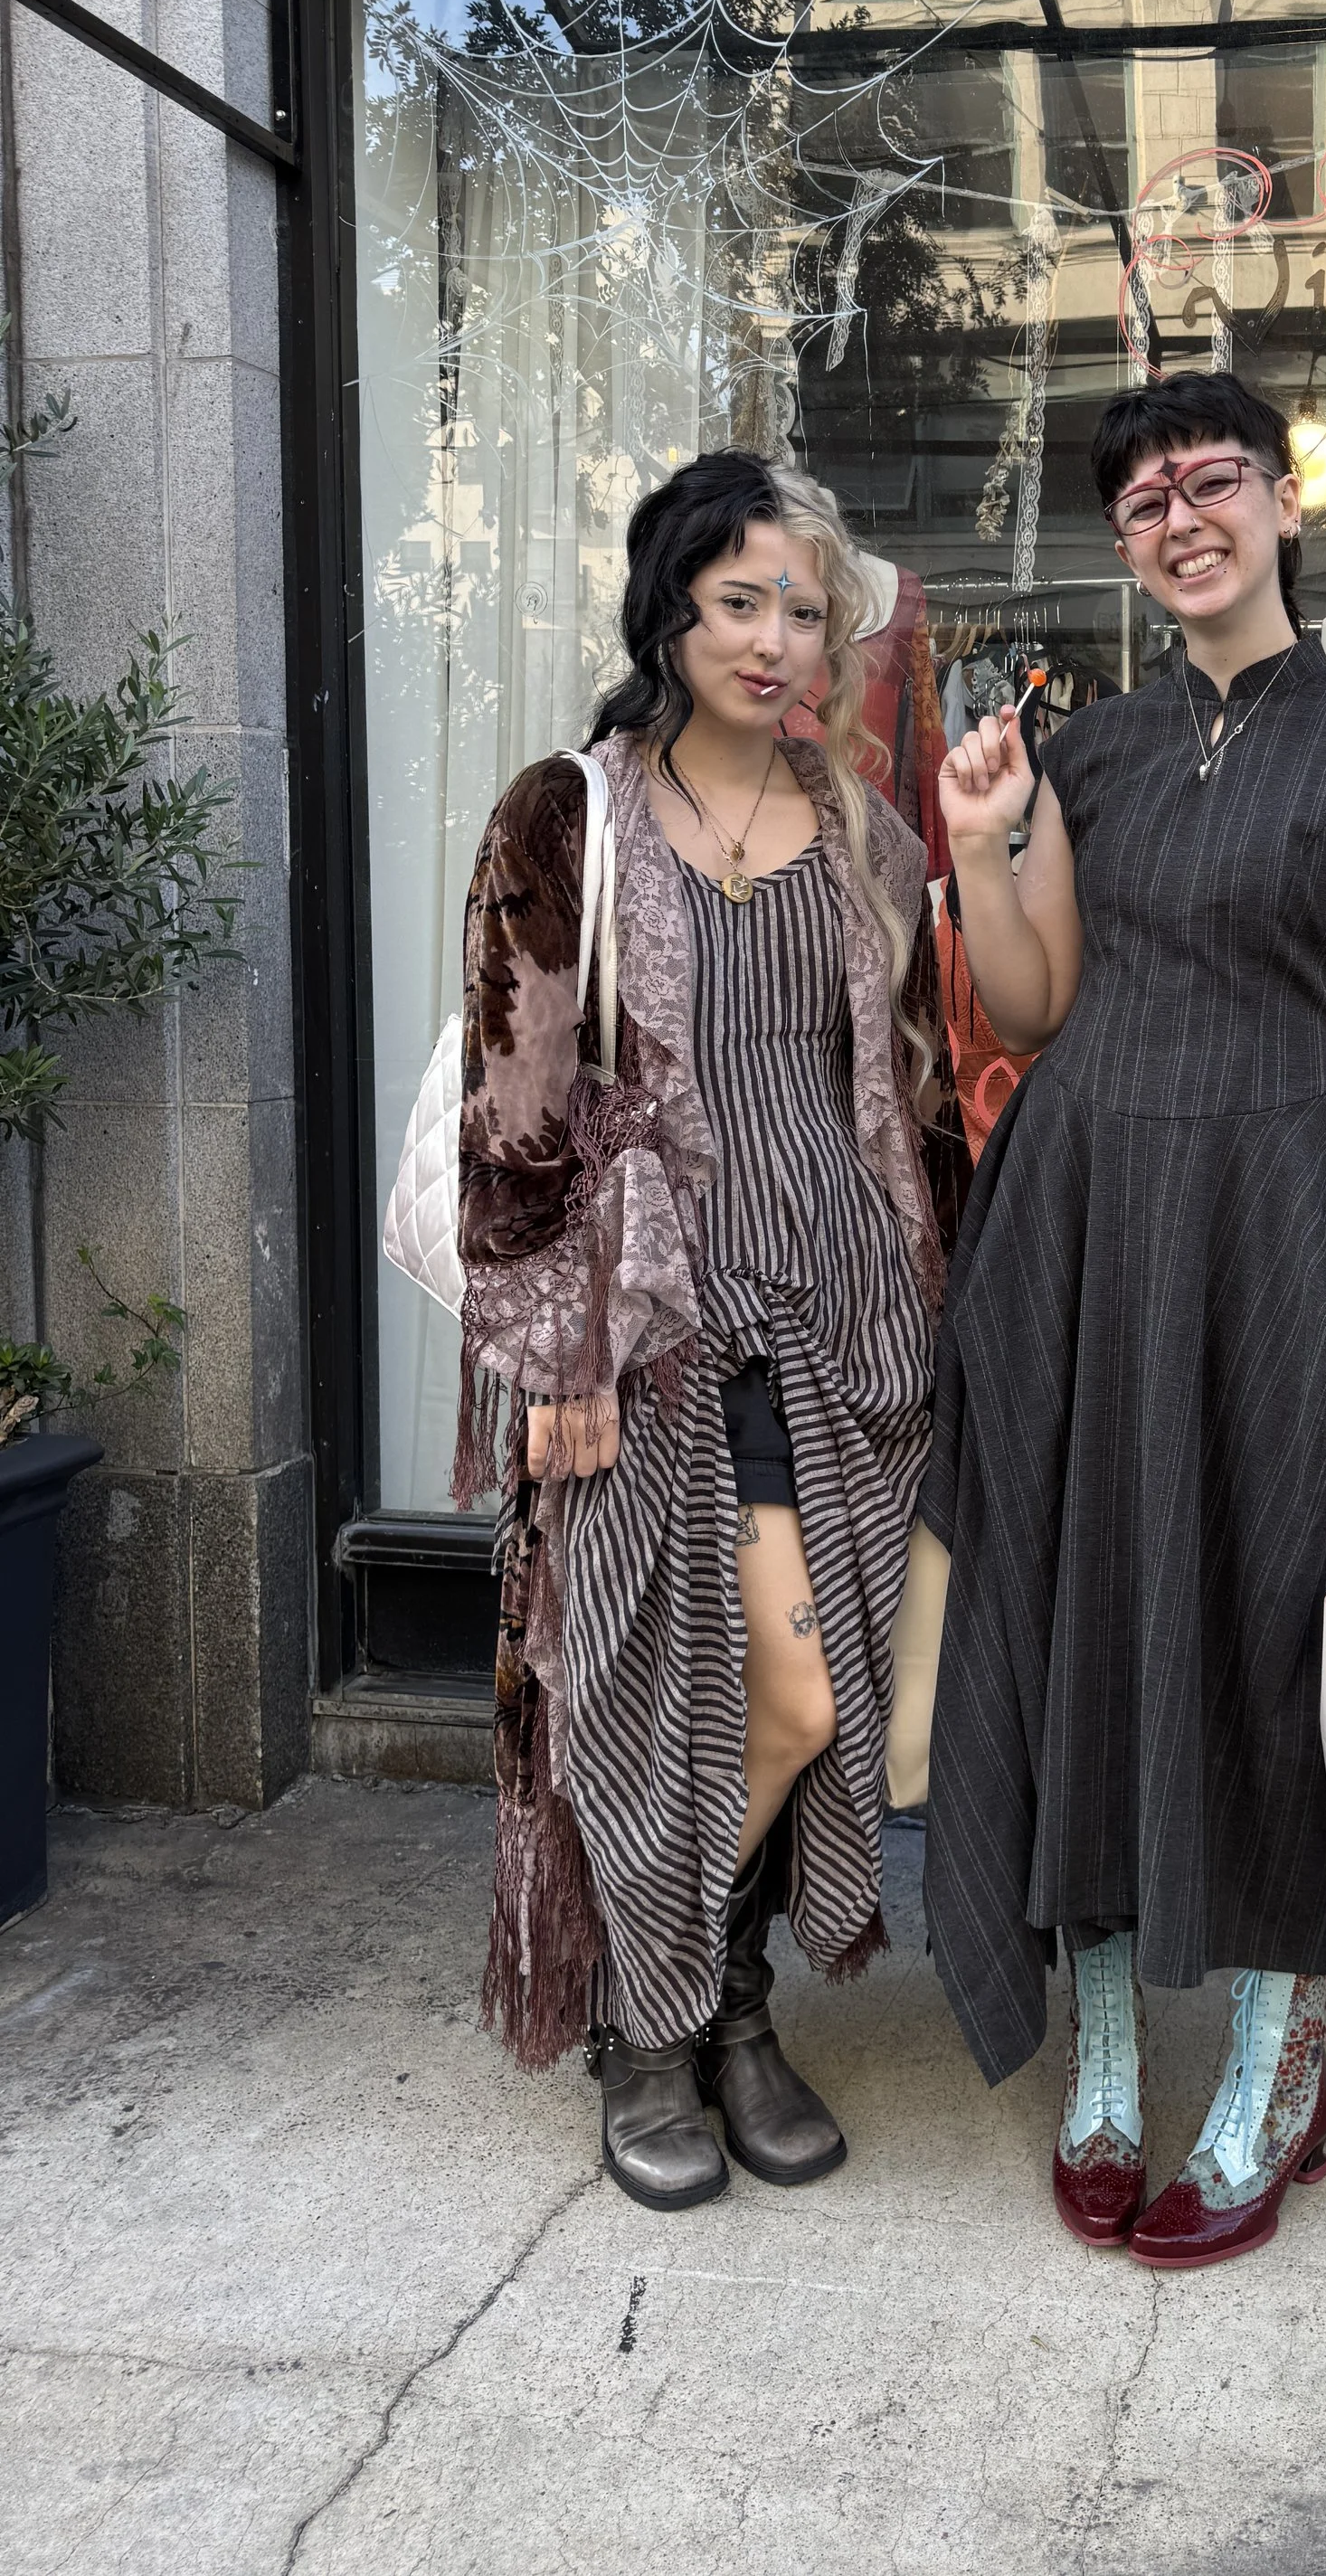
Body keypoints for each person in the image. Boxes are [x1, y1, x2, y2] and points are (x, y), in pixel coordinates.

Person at [923, 372, 1326, 2269]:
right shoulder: (1088, 754)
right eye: (1143, 495)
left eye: (1211, 478)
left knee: (1265, 1626)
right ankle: (1097, 2033)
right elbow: (1026, 1006)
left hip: (1281, 1230)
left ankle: (1273, 2039)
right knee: (1080, 1608)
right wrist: (985, 840)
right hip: (1080, 1219)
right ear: (1124, 539)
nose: (1179, 515)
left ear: (1279, 508)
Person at [452, 451, 956, 2211]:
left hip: (836, 1316)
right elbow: (514, 1106)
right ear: (669, 607)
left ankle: (711, 2001)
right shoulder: (565, 820)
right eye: (738, 598)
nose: (772, 635)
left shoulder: (863, 832)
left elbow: (896, 1090)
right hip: (654, 1324)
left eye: (801, 607)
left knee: (800, 1695)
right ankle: (662, 2020)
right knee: (687, 1685)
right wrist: (555, 1346)